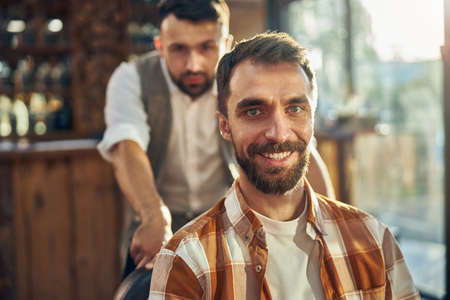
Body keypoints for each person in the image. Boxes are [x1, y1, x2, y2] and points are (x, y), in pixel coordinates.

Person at [149, 32, 419, 300]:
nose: (279, 134)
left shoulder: (374, 240)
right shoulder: (187, 261)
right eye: (254, 111)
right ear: (225, 125)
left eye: (295, 109)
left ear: (312, 116)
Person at [98, 0, 334, 279]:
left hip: (231, 222)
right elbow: (127, 145)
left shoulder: (244, 81)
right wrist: (153, 216)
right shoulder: (130, 78)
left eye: (207, 47)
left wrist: (327, 231)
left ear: (226, 43)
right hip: (156, 225)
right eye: (179, 49)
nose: (193, 64)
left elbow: (299, 151)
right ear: (160, 47)